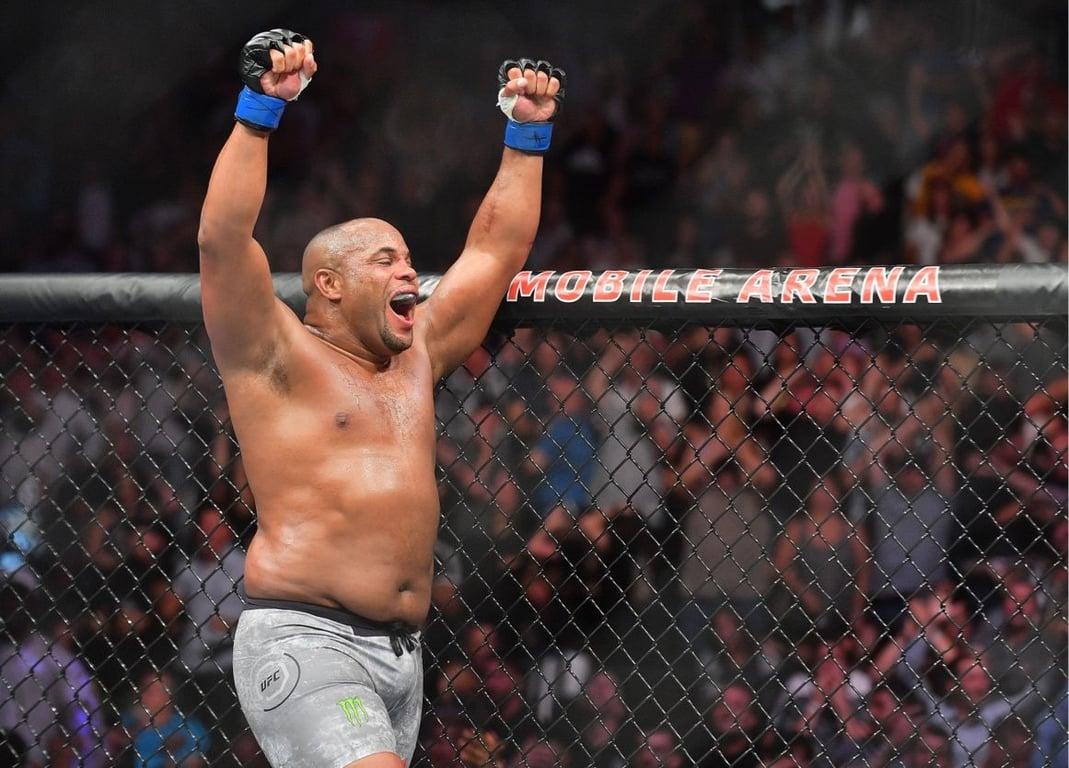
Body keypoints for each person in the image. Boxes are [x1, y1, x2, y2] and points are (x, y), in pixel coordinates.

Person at [197, 28, 565, 768]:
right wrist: (258, 111)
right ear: (329, 285)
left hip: (403, 656)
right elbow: (222, 242)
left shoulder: (417, 352)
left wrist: (526, 131)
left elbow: (494, 251)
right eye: (385, 258)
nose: (409, 269)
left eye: (407, 255)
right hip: (307, 639)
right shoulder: (276, 355)